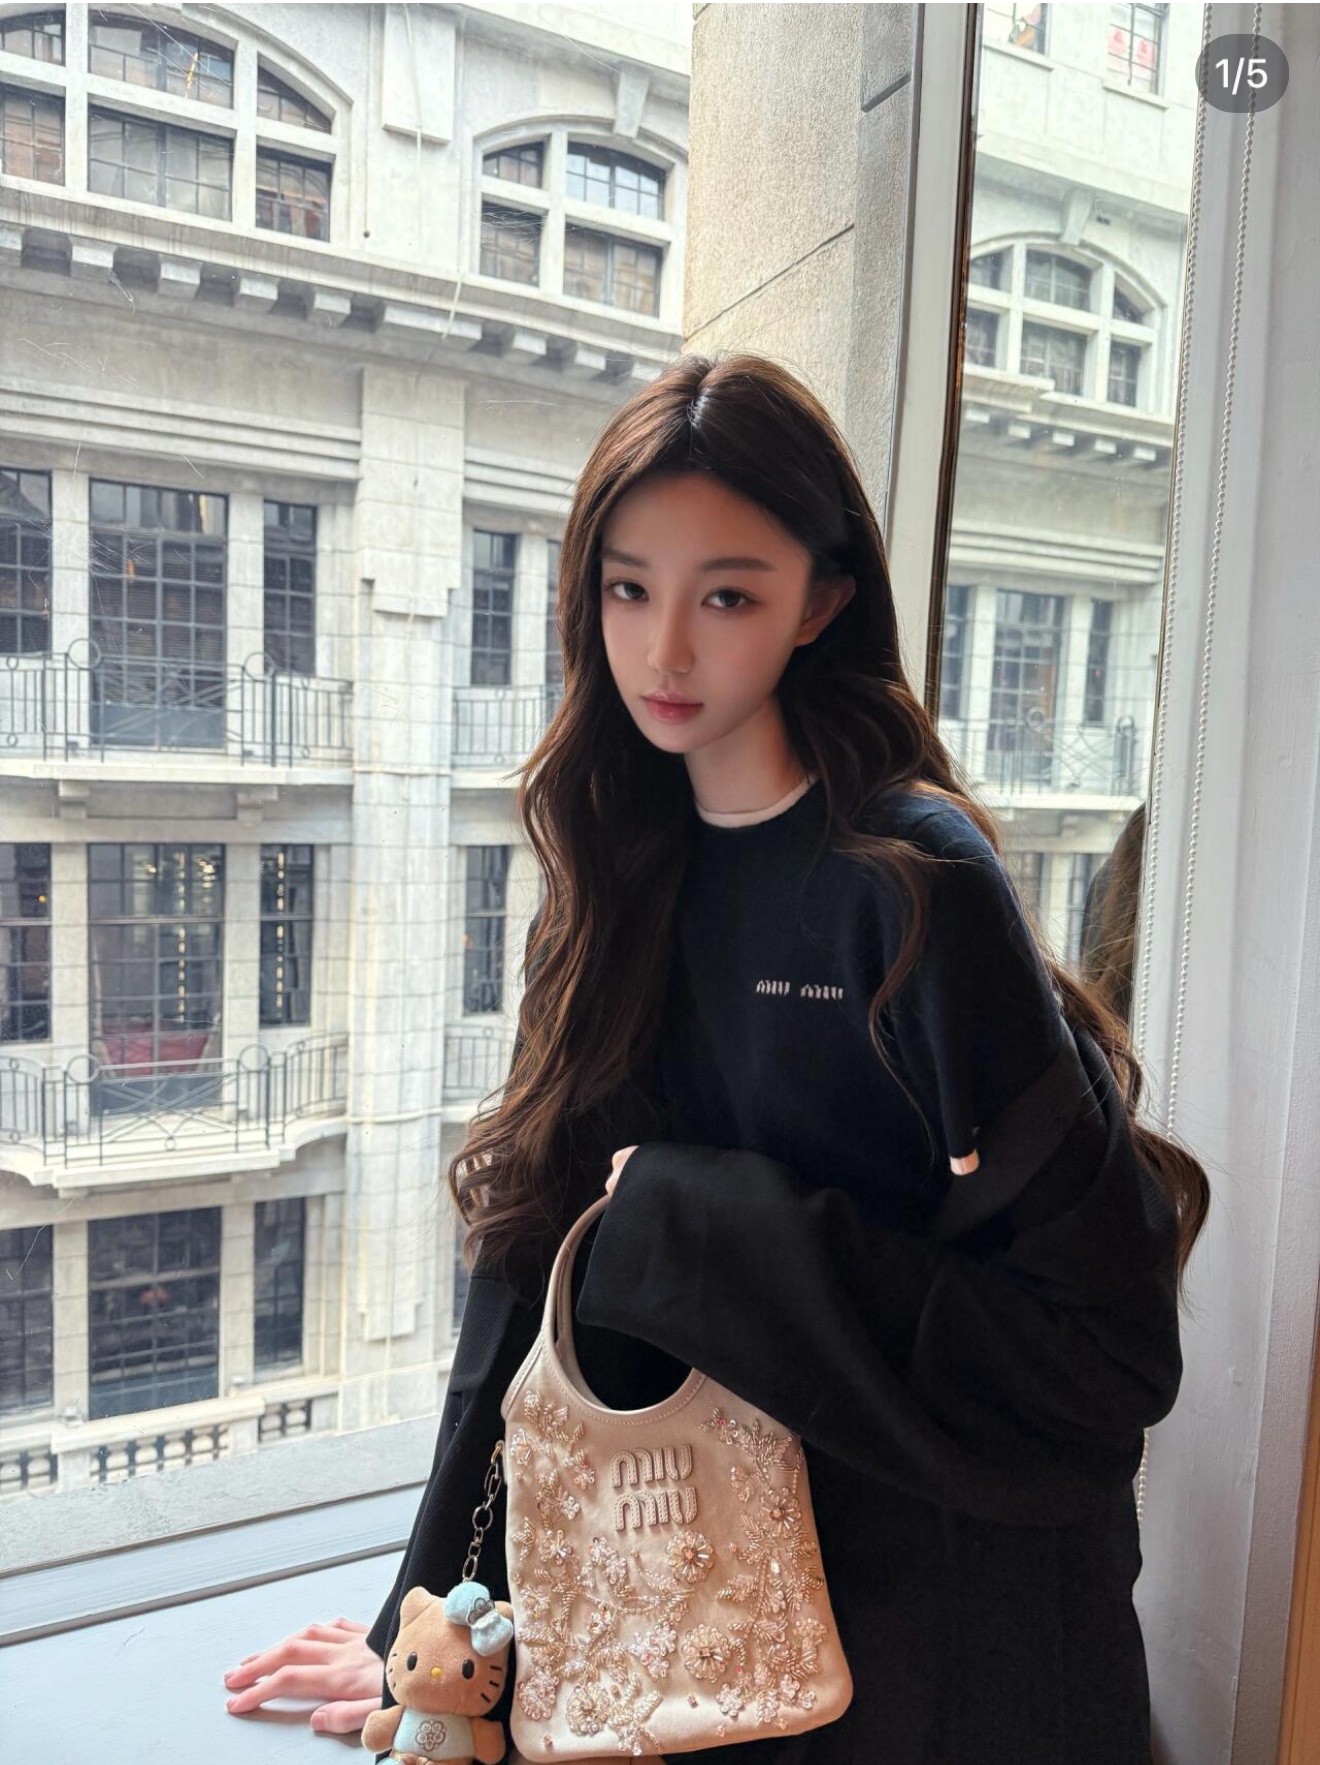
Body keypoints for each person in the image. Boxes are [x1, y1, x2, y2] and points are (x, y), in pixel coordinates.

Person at [224, 353, 1209, 1763]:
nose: (666, 653)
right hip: (695, 1618)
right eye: (629, 589)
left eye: (727, 596)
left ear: (823, 601)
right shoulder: (613, 862)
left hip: (951, 1652)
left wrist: (693, 1225)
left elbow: (1105, 1357)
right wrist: (429, 1626)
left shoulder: (916, 883)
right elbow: (531, 1264)